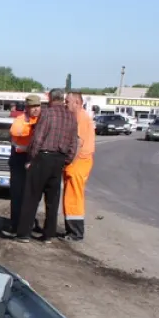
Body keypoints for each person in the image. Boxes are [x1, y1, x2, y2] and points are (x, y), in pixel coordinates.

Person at [14, 89, 78, 242]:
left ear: (50, 98)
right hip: (59, 159)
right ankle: (49, 235)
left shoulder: (47, 113)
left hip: (43, 157)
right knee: (52, 199)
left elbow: (38, 138)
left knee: (32, 196)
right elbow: (74, 143)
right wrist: (66, 160)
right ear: (62, 99)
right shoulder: (71, 117)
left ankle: (24, 233)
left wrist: (30, 158)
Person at [5, 95, 42, 233]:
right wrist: (32, 129)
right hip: (19, 159)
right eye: (33, 107)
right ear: (26, 108)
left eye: (37, 106)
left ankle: (30, 222)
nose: (36, 109)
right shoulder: (20, 120)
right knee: (17, 194)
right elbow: (16, 132)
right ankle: (15, 224)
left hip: (35, 159)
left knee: (34, 195)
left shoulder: (41, 119)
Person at [62, 92, 95, 241]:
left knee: (73, 197)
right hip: (78, 162)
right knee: (71, 196)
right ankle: (73, 230)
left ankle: (75, 232)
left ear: (77, 102)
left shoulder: (81, 117)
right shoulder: (79, 116)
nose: (65, 104)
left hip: (79, 162)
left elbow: (77, 143)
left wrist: (68, 161)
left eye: (67, 101)